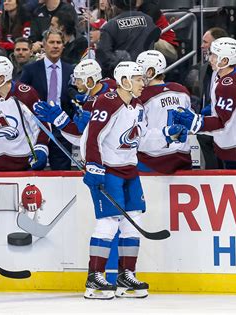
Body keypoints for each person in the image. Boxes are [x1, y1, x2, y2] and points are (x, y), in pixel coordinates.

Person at [80, 61, 148, 300]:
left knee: (133, 219)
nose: (143, 83)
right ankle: (94, 278)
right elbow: (94, 138)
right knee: (109, 221)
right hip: (108, 171)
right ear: (126, 80)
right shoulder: (107, 102)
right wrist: (94, 167)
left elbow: (142, 137)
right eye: (139, 79)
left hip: (129, 169)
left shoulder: (137, 105)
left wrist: (169, 136)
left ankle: (126, 275)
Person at [173, 37, 236, 170]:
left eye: (214, 55)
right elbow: (235, 106)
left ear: (225, 60)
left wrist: (196, 123)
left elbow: (221, 121)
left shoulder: (229, 85)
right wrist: (213, 108)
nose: (210, 59)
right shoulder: (234, 73)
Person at [0, 56, 49, 171]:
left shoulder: (25, 94)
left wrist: (41, 148)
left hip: (27, 165)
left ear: (1, 78)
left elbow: (41, 125)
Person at [20, 29, 74, 170]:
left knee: (62, 174)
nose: (55, 46)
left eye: (59, 42)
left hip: (62, 129)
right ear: (44, 45)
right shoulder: (30, 69)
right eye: (51, 42)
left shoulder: (71, 70)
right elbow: (19, 97)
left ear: (63, 46)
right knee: (34, 170)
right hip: (37, 128)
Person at [34, 58, 116, 146]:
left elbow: (82, 138)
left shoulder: (92, 105)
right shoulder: (110, 82)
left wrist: (60, 120)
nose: (76, 83)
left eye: (79, 80)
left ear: (89, 81)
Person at [136, 50, 191, 174]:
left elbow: (137, 137)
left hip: (153, 162)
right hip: (183, 159)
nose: (137, 74)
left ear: (150, 72)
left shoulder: (140, 97)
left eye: (140, 70)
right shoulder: (182, 91)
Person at [185, 27, 228, 170]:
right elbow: (202, 96)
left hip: (227, 125)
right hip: (208, 124)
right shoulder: (203, 69)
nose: (202, 46)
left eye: (205, 42)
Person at [95, 0, 159, 78]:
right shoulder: (148, 20)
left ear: (115, 6)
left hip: (123, 77)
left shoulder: (110, 26)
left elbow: (104, 56)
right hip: (146, 73)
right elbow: (156, 38)